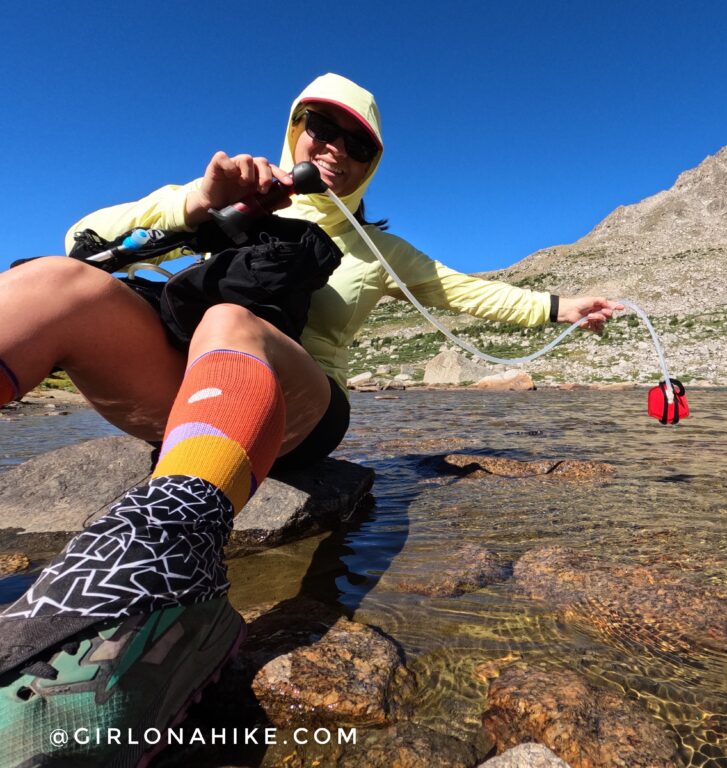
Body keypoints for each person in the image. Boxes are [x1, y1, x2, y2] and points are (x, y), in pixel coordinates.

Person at [0, 73, 621, 765]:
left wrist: (563, 307)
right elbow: (81, 238)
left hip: (300, 403)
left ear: (371, 162)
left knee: (233, 318)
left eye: (357, 142)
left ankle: (160, 564)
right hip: (182, 385)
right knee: (52, 284)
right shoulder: (235, 198)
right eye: (320, 128)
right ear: (294, 129)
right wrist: (201, 202)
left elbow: (466, 291)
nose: (335, 149)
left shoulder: (379, 250)